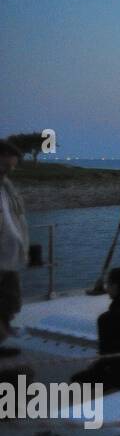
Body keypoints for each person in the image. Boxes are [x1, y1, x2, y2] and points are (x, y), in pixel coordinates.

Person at [0, 140, 29, 355]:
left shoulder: (7, 187)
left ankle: (2, 339)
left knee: (10, 302)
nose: (8, 171)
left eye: (12, 167)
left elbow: (16, 219)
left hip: (10, 257)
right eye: (4, 166)